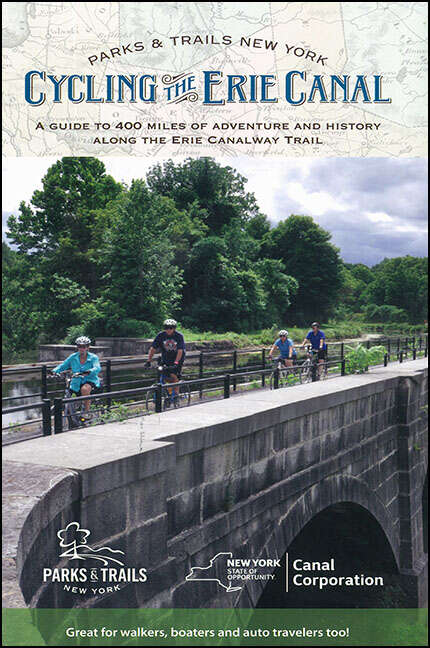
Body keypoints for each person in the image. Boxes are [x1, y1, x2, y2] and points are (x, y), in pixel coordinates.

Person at [52, 336, 102, 415]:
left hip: (90, 380)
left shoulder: (93, 357)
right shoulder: (73, 357)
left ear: (88, 347)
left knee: (85, 389)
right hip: (76, 381)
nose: (81, 348)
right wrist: (54, 371)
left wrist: (89, 371)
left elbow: (97, 368)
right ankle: (69, 414)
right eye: (79, 346)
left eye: (83, 346)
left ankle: (86, 412)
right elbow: (63, 365)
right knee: (67, 395)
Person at [145, 319, 186, 406]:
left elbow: (180, 350)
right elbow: (153, 348)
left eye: (171, 328)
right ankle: (168, 394)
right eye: (166, 327)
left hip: (177, 358)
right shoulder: (161, 335)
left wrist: (176, 362)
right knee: (163, 376)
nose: (168, 329)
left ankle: (176, 396)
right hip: (166, 357)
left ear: (174, 328)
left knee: (173, 375)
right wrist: (149, 360)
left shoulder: (179, 336)